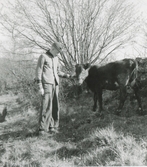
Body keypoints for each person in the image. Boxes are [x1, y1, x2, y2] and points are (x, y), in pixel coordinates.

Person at [35, 42, 71, 135]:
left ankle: (53, 126)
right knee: (46, 106)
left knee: (55, 106)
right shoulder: (43, 56)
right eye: (57, 51)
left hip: (56, 84)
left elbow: (58, 71)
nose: (58, 53)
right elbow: (38, 72)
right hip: (46, 84)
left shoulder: (56, 58)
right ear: (53, 48)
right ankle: (42, 129)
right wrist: (40, 86)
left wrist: (67, 75)